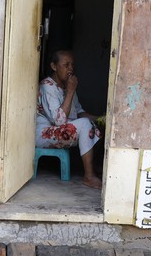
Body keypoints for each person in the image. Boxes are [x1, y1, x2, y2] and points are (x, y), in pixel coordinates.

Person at [35, 50, 103, 189]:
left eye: (72, 65)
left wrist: (101, 119)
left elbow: (79, 113)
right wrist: (70, 91)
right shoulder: (47, 87)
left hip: (61, 130)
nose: (70, 68)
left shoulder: (67, 86)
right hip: (44, 133)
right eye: (66, 65)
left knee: (96, 124)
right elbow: (59, 121)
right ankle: (89, 176)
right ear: (54, 66)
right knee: (85, 125)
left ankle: (94, 167)